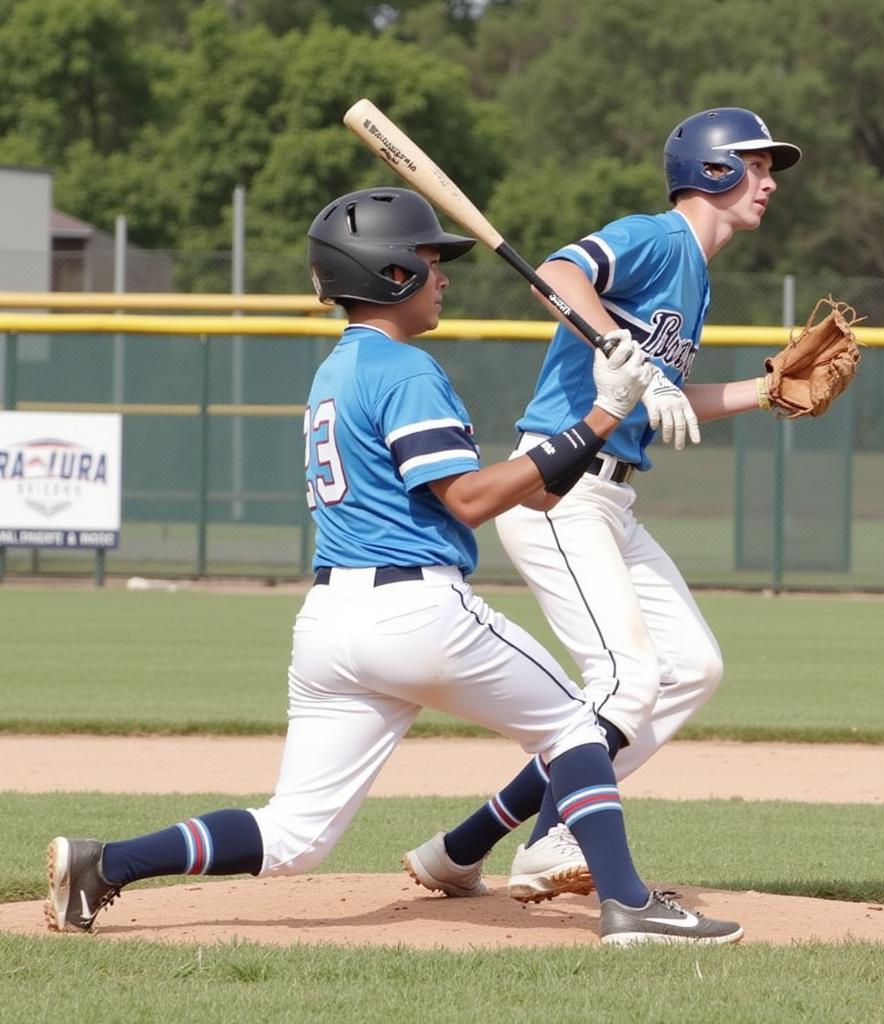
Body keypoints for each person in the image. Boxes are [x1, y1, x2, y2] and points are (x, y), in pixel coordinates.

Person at [44, 186, 743, 946]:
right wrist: (603, 415)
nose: (444, 276)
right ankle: (629, 906)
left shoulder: (337, 370)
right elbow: (472, 500)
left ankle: (104, 863)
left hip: (329, 627)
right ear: (393, 275)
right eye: (431, 261)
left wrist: (579, 440)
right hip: (416, 610)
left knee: (294, 835)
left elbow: (508, 494)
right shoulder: (406, 371)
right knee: (582, 725)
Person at [403, 107, 801, 902]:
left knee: (693, 666)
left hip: (613, 502)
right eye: (757, 165)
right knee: (625, 677)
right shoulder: (658, 237)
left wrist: (767, 390)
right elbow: (557, 273)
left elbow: (665, 396)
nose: (769, 182)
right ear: (714, 169)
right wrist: (618, 348)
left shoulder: (698, 275)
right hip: (557, 489)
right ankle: (552, 839)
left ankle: (465, 845)